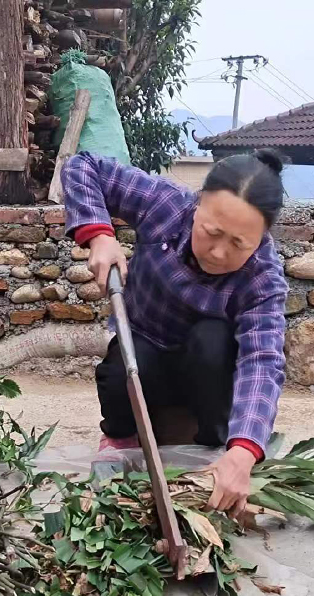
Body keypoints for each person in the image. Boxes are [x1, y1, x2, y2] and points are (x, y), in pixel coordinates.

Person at [61, 148, 288, 516]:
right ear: (197, 204)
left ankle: (211, 449)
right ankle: (121, 439)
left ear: (262, 238)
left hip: (205, 376)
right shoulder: (165, 204)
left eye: (238, 244)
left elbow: (262, 363)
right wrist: (99, 234)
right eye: (211, 232)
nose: (217, 252)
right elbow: (82, 166)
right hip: (145, 349)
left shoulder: (263, 281)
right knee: (128, 362)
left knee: (213, 340)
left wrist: (243, 452)